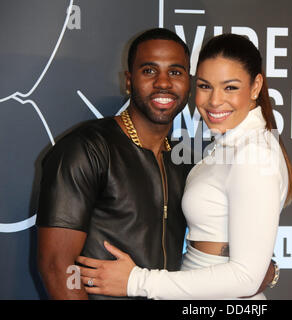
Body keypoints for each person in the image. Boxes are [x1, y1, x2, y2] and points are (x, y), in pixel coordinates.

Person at [36, 28, 274, 300]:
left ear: (188, 82)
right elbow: (56, 266)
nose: (163, 83)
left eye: (175, 72)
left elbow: (229, 235)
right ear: (129, 81)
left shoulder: (188, 161)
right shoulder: (86, 149)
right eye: (149, 71)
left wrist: (262, 269)